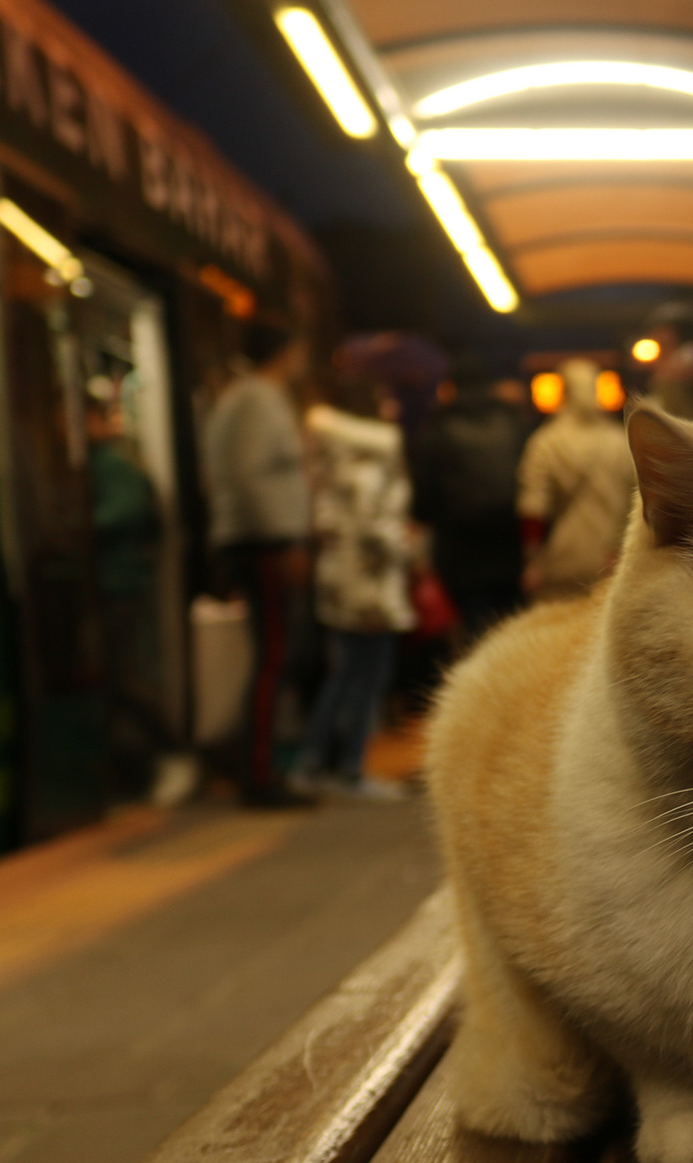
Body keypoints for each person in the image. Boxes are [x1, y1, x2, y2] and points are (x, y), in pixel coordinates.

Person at [202, 322, 316, 808]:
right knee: (272, 655)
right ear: (287, 351)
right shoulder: (257, 399)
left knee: (271, 653)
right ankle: (260, 775)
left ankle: (263, 769)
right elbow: (251, 474)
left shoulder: (242, 398)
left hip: (256, 540)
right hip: (262, 542)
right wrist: (282, 538)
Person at [293, 384, 415, 800]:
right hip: (370, 582)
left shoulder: (334, 458)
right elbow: (372, 525)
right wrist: (404, 547)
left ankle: (314, 762)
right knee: (366, 676)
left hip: (341, 579)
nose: (392, 404)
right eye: (384, 399)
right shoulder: (370, 458)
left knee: (346, 672)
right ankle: (346, 767)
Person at [88, 393, 179, 802]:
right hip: (110, 584)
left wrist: (78, 525)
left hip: (120, 584)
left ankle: (173, 752)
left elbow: (122, 511)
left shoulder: (111, 466)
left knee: (121, 676)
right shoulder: (97, 464)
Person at [412, 353, 530, 641]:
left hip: (460, 554)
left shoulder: (436, 428)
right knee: (513, 631)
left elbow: (423, 502)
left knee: (477, 637)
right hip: (511, 547)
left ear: (452, 386)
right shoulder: (514, 421)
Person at [520, 358, 638, 601]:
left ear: (563, 391)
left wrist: (533, 561)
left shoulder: (545, 442)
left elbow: (533, 509)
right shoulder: (620, 440)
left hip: (562, 560)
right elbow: (637, 500)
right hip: (614, 559)